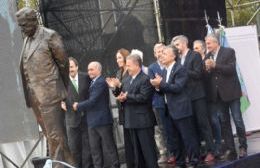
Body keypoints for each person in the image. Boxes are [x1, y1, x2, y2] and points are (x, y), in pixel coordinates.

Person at [16, 7, 74, 167]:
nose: (22, 29)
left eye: (24, 25)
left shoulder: (50, 36)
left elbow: (63, 63)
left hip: (50, 93)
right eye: (20, 26)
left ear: (34, 21)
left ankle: (58, 166)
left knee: (55, 136)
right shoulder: (27, 39)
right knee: (51, 136)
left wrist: (60, 88)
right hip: (35, 96)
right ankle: (68, 163)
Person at [150, 45, 200, 167]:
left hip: (181, 109)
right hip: (168, 109)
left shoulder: (180, 69)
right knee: (173, 138)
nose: (162, 56)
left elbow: (177, 88)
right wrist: (157, 87)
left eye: (165, 53)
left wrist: (160, 83)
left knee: (187, 137)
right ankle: (180, 161)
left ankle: (194, 161)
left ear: (173, 56)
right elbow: (163, 91)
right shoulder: (164, 70)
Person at [171, 35, 215, 162]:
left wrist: (183, 70)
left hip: (197, 95)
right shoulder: (178, 59)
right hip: (185, 98)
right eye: (175, 45)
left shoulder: (194, 55)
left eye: (177, 45)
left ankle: (211, 151)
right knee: (192, 126)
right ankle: (197, 152)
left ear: (184, 44)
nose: (176, 47)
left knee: (203, 124)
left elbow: (198, 74)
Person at [110, 54, 158, 168]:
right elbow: (121, 93)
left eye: (129, 65)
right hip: (131, 120)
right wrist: (116, 89)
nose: (127, 68)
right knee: (137, 152)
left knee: (148, 150)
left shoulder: (145, 79)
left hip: (143, 121)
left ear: (137, 65)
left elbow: (144, 97)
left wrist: (127, 97)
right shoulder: (127, 80)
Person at [204, 34, 247, 160]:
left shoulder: (228, 51)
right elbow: (207, 77)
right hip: (218, 96)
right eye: (206, 44)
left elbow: (231, 69)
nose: (207, 46)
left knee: (237, 120)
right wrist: (207, 69)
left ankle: (243, 146)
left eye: (209, 43)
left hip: (232, 93)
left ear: (216, 42)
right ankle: (230, 149)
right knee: (224, 122)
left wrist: (215, 65)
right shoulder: (207, 56)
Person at [73, 62, 120, 168]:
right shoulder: (92, 82)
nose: (89, 72)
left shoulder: (100, 82)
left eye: (92, 69)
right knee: (95, 149)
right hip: (92, 122)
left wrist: (78, 105)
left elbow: (93, 101)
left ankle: (115, 165)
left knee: (109, 147)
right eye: (88, 70)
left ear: (99, 70)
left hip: (102, 121)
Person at [61, 57, 93, 168]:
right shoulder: (62, 80)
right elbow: (58, 95)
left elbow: (91, 94)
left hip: (86, 119)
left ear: (77, 67)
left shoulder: (86, 77)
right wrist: (60, 102)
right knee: (74, 149)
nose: (70, 69)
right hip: (71, 120)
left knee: (87, 148)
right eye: (68, 67)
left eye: (71, 67)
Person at [148, 43, 176, 164]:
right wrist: (158, 85)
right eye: (157, 51)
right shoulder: (152, 68)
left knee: (176, 127)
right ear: (154, 54)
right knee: (164, 129)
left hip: (173, 102)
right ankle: (171, 153)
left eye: (162, 50)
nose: (160, 53)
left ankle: (181, 151)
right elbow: (152, 86)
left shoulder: (171, 65)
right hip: (159, 103)